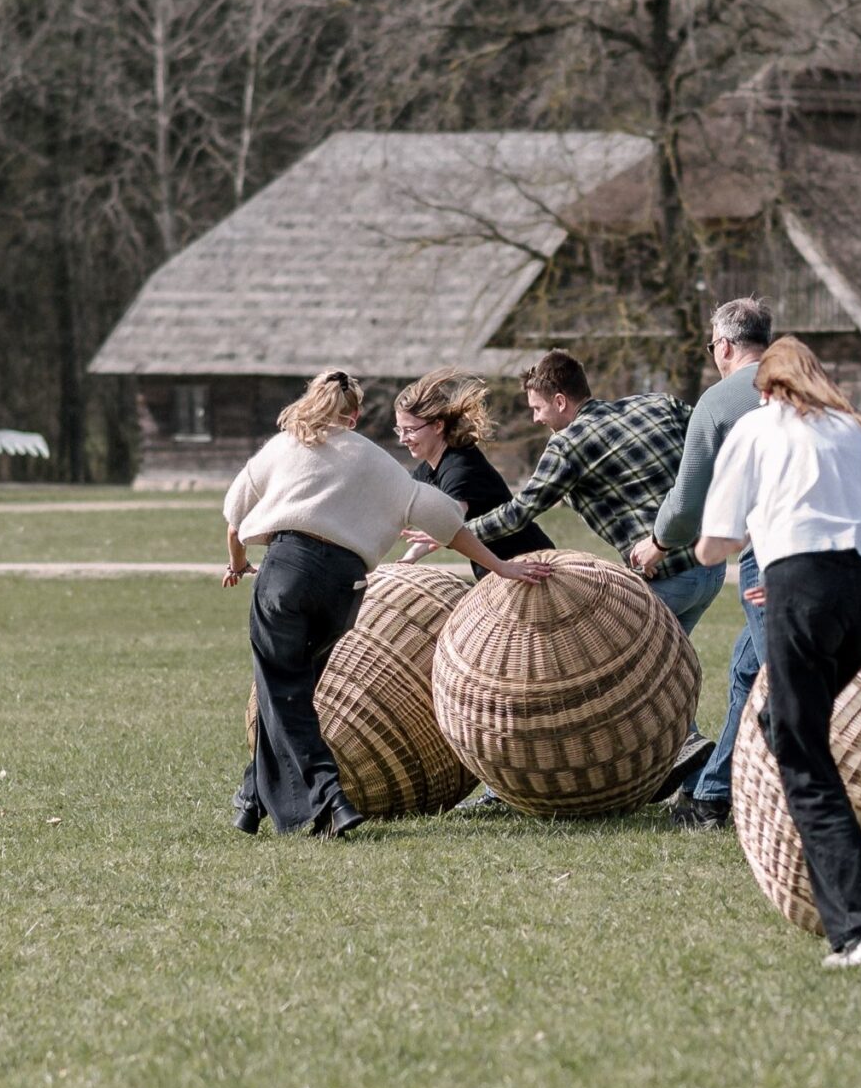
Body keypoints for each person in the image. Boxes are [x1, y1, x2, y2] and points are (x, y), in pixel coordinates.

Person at [223, 369, 551, 838]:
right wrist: (500, 566)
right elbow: (441, 518)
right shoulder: (377, 462)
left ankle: (330, 799)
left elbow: (235, 516)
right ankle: (250, 802)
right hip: (342, 590)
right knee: (291, 694)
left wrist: (237, 564)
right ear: (354, 415)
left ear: (310, 403)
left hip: (286, 577)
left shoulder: (285, 445)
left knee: (283, 693)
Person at [692, 338, 861, 967]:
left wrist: (745, 561)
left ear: (766, 388)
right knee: (786, 726)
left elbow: (717, 541)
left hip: (809, 588)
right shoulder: (854, 431)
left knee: (802, 752)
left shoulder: (757, 427)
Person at [459, 349, 722, 792]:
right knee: (661, 671)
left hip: (666, 576)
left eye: (538, 408)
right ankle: (683, 764)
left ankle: (684, 750)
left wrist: (458, 532)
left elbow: (520, 513)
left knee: (615, 671)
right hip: (710, 569)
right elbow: (710, 454)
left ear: (561, 401)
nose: (538, 419)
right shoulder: (660, 404)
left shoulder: (568, 443)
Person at [624, 299, 774, 831]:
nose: (713, 355)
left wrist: (659, 544)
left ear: (726, 346)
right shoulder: (814, 384)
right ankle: (714, 795)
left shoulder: (722, 400)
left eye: (712, 346)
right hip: (846, 551)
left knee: (779, 675)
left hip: (775, 555)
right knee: (746, 668)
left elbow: (688, 502)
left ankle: (737, 798)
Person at [392, 368, 552, 576]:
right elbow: (435, 528)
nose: (402, 439)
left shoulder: (460, 468)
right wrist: (409, 558)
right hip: (500, 571)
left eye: (410, 430)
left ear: (438, 425)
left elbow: (449, 525)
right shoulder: (427, 469)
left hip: (531, 564)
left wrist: (433, 538)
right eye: (399, 429)